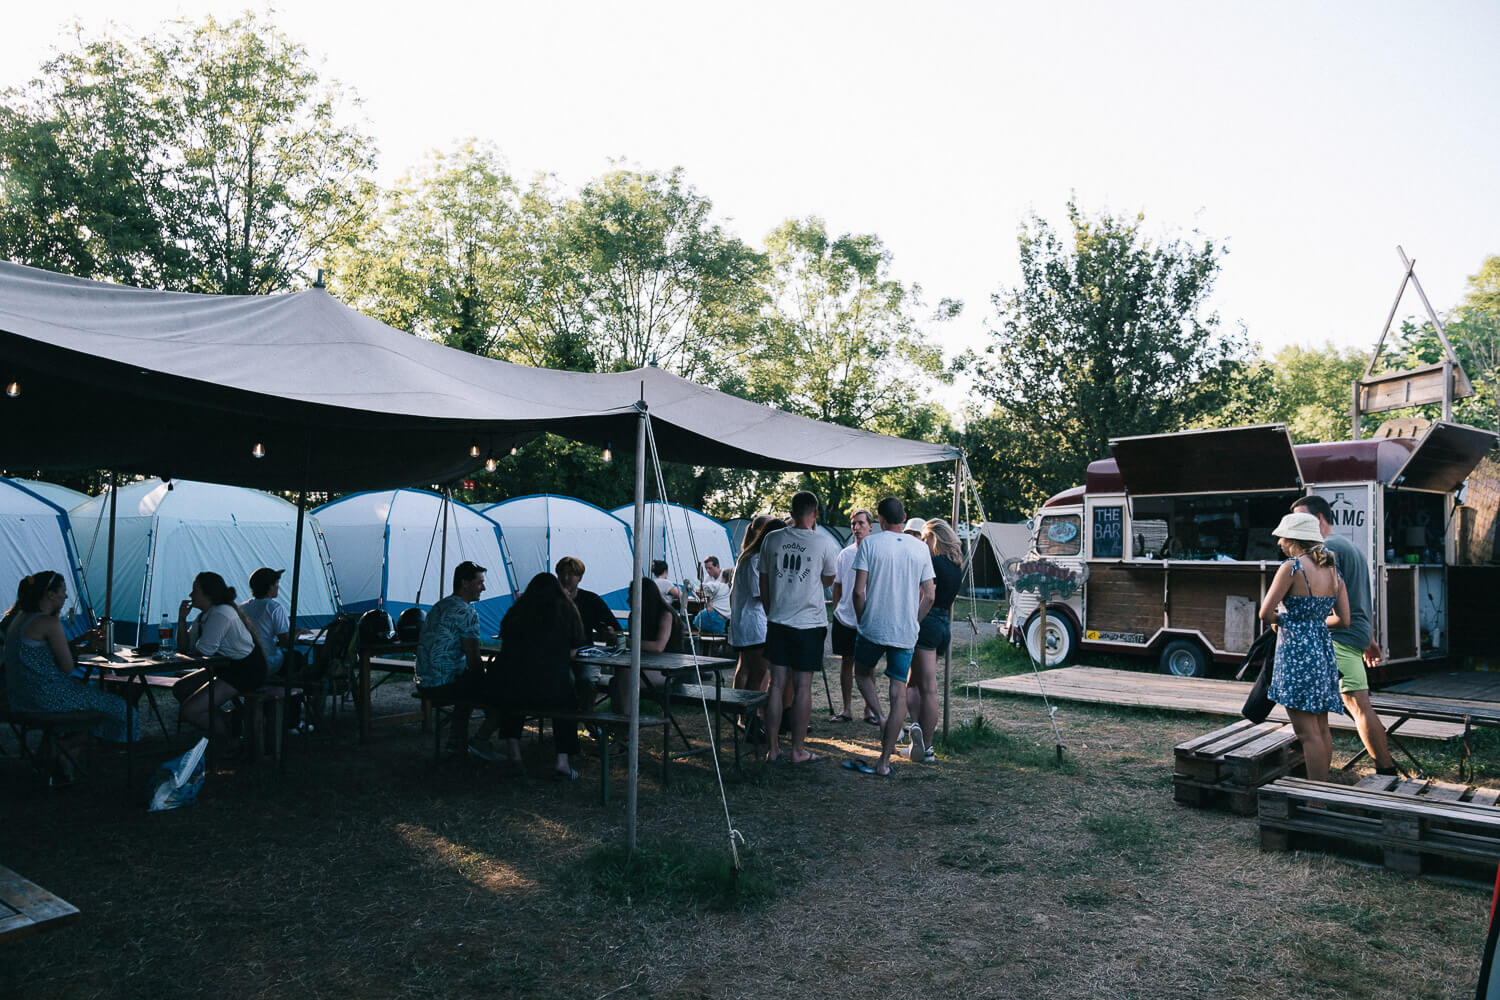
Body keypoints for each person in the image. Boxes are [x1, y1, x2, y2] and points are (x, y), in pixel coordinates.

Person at [1290, 495, 1398, 775]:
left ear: (1319, 519)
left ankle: (1385, 772)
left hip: (1340, 638)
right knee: (1347, 707)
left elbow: (1326, 594)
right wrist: (1369, 638)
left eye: (1303, 519)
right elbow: (1358, 597)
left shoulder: (1327, 549)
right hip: (1355, 634)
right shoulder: (1349, 546)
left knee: (1358, 705)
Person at [4, 571, 134, 782]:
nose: (66, 597)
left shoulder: (19, 619)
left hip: (21, 697)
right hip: (48, 698)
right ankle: (64, 749)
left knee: (96, 703)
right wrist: (84, 649)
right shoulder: (48, 622)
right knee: (121, 708)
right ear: (50, 595)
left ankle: (63, 753)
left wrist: (80, 641)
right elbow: (66, 667)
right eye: (63, 591)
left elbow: (44, 654)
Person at [1259, 512, 1349, 783]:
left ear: (1294, 540)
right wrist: (1315, 622)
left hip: (1296, 654)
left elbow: (1265, 613)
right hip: (1322, 653)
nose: (1279, 543)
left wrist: (1284, 621)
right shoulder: (1333, 569)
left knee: (1307, 733)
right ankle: (1322, 791)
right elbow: (1343, 620)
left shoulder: (1291, 568)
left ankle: (1315, 800)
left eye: (1282, 538)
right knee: (1321, 728)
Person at [850, 498, 935, 776]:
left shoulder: (870, 545)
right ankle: (884, 762)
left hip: (872, 626)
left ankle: (880, 716)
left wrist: (863, 619)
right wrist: (915, 619)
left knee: (862, 673)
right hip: (904, 630)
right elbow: (930, 595)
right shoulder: (921, 548)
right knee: (898, 693)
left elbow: (858, 592)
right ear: (904, 517)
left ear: (880, 520)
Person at [760, 492, 840, 763]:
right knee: (803, 686)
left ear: (791, 512)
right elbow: (828, 580)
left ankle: (772, 748)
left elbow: (764, 580)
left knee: (776, 685)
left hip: (778, 621)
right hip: (809, 623)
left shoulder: (772, 539)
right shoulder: (824, 542)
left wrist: (772, 611)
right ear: (814, 513)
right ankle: (798, 750)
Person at [492, 573, 588, 781]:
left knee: (511, 700)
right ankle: (562, 763)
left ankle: (515, 757)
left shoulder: (516, 611)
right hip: (552, 688)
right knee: (567, 703)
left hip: (514, 686)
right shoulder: (567, 610)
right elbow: (572, 652)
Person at [413, 560, 503, 761]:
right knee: (501, 692)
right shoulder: (466, 612)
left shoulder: (439, 606)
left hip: (424, 682)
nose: (484, 587)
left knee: (470, 684)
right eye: (480, 582)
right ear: (465, 583)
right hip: (443, 684)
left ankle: (456, 741)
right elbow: (473, 659)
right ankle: (480, 740)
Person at [172, 571, 269, 742]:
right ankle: (227, 720)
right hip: (224, 667)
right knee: (181, 688)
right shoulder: (205, 615)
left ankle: (227, 741)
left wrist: (187, 652)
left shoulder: (221, 613)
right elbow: (183, 646)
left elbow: (204, 651)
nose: (190, 595)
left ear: (207, 593)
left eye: (195, 590)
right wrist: (181, 620)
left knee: (190, 711)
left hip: (244, 671)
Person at [907, 518, 963, 763]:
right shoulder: (955, 565)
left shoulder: (933, 562)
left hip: (927, 623)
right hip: (943, 626)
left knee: (922, 687)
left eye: (924, 538)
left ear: (933, 538)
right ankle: (918, 740)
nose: (922, 542)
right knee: (918, 683)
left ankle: (925, 745)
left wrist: (914, 623)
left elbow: (926, 597)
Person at [728, 516, 781, 741]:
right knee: (758, 673)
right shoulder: (754, 560)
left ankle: (745, 716)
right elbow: (759, 593)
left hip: (746, 622)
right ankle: (749, 719)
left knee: (749, 669)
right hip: (754, 624)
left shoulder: (748, 557)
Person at [829, 508, 877, 725]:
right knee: (846, 662)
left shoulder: (876, 552)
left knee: (869, 665)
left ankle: (870, 710)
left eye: (860, 523)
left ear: (870, 526)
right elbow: (837, 586)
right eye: (853, 524)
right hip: (845, 618)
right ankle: (847, 709)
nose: (856, 528)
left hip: (869, 617)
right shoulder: (845, 554)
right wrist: (839, 609)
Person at [555, 556, 620, 645]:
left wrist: (609, 633)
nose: (565, 578)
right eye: (561, 574)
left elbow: (615, 629)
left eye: (570, 574)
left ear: (580, 578)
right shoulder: (549, 599)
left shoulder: (591, 599)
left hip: (584, 653)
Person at [240, 567, 290, 676]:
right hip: (267, 662)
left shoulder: (241, 608)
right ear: (270, 587)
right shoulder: (275, 608)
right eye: (276, 583)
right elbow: (285, 642)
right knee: (296, 658)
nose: (278, 587)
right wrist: (298, 632)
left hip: (243, 662)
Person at [694, 556, 731, 634]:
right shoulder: (708, 578)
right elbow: (703, 587)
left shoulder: (725, 575)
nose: (708, 571)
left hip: (716, 613)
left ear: (717, 566)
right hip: (714, 613)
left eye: (710, 568)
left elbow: (709, 587)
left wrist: (708, 600)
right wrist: (701, 593)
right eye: (706, 568)